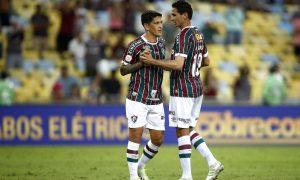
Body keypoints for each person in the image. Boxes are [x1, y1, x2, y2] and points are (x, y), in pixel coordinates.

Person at [140, 1, 223, 180]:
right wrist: (192, 66)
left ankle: (187, 176)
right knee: (189, 129)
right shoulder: (198, 34)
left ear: (185, 15)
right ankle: (213, 163)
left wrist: (152, 61)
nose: (170, 18)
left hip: (183, 88)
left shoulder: (183, 36)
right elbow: (207, 61)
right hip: (196, 86)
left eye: (174, 14)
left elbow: (177, 65)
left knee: (181, 130)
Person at [120, 10, 165, 180]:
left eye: (161, 22)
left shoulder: (161, 43)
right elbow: (123, 70)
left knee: (158, 139)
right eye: (156, 23)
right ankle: (133, 177)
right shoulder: (135, 45)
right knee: (135, 137)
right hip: (137, 96)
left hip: (156, 98)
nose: (160, 25)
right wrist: (140, 63)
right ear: (147, 26)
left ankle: (140, 167)